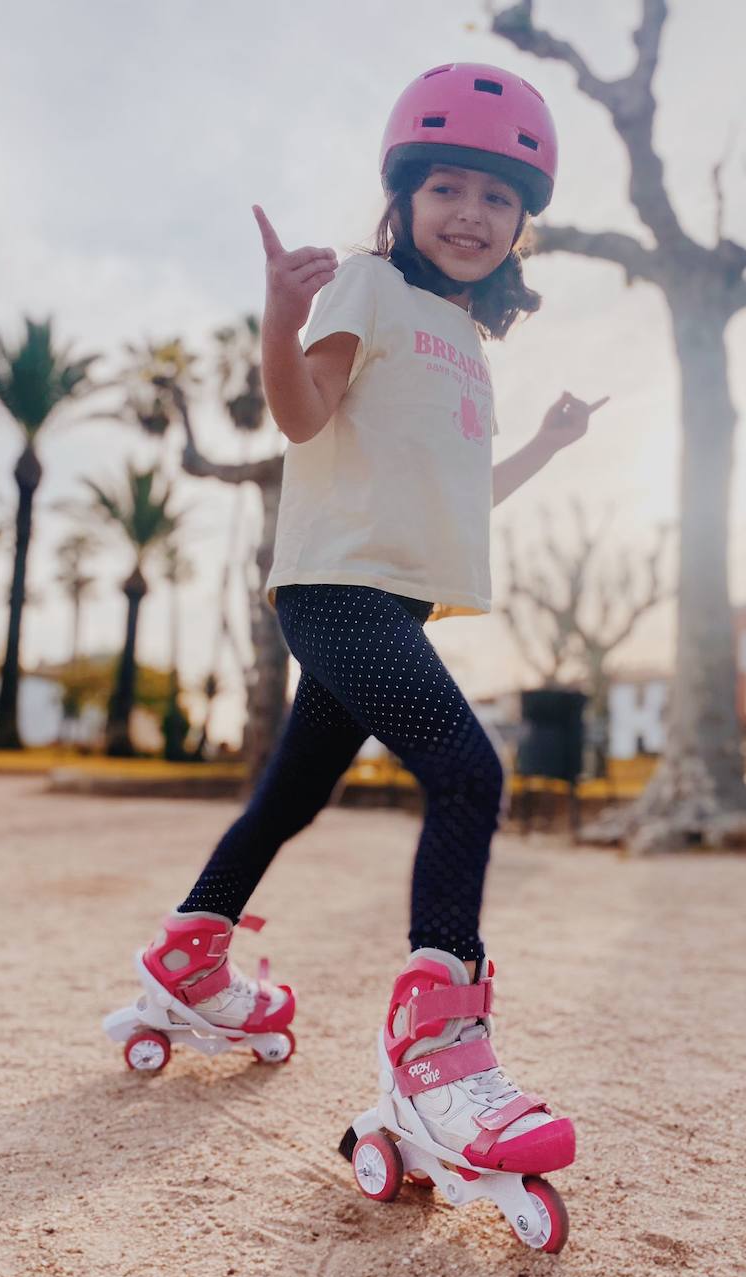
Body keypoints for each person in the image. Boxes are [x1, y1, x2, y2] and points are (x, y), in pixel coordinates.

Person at [107, 63, 607, 1213]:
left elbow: (464, 492)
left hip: (390, 598)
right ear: (403, 197)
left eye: (496, 195)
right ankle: (436, 1057)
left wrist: (551, 443)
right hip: (337, 590)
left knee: (288, 797)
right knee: (470, 772)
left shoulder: (464, 339)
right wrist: (282, 319)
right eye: (446, 187)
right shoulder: (371, 289)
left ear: (521, 222)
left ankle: (189, 958)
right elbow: (301, 415)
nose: (470, 213)